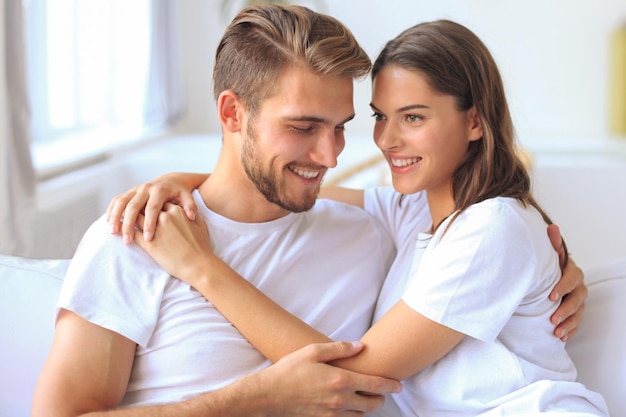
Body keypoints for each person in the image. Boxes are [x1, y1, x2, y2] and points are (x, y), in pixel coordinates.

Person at [109, 20, 606, 416]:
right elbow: (289, 184)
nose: (387, 140)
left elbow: (350, 376)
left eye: (413, 117)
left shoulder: (491, 227)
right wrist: (182, 180)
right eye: (379, 116)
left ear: (474, 120)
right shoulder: (414, 214)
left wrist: (203, 270)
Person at [31, 5, 404, 416]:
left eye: (339, 127)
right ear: (232, 113)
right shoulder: (134, 238)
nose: (330, 156)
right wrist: (257, 398)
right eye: (302, 127)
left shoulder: (367, 235)